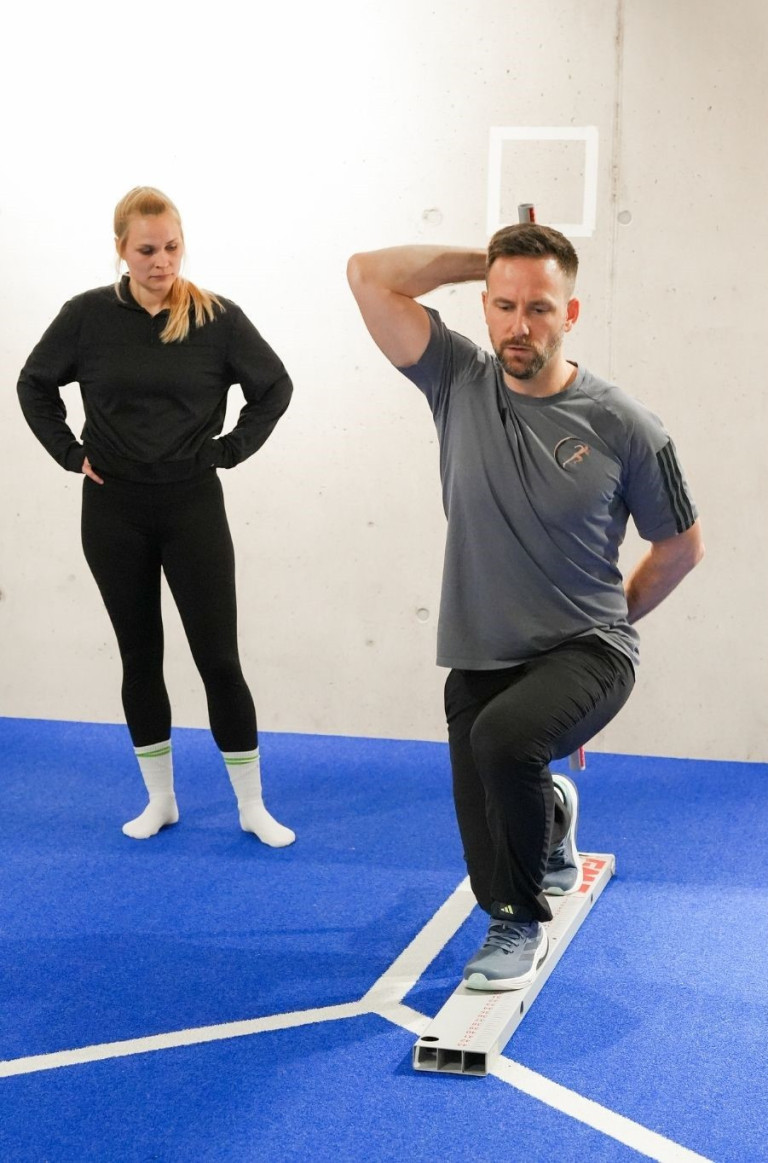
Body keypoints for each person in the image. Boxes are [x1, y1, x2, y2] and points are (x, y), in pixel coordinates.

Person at [347, 224, 703, 990]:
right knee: (487, 780)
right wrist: (492, 256)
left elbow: (680, 546)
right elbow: (369, 276)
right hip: (479, 651)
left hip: (590, 649)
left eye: (539, 307)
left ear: (570, 315)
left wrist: (607, 629)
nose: (519, 324)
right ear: (483, 307)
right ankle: (553, 819)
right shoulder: (456, 380)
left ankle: (516, 922)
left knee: (506, 739)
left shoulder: (623, 424)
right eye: (503, 304)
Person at [18, 186, 295, 847]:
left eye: (171, 247)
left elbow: (274, 386)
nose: (161, 261)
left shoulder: (216, 318)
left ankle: (251, 804)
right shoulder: (85, 316)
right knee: (139, 656)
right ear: (120, 249)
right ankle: (162, 799)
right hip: (113, 509)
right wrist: (69, 452)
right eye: (146, 250)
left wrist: (229, 449)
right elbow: (33, 383)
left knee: (218, 660)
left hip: (191, 504)